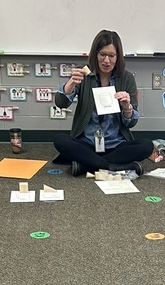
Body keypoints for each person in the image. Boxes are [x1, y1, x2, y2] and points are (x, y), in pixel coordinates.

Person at [54, 30, 154, 177]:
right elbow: (60, 103)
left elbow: (131, 123)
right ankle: (111, 167)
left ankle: (86, 165)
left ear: (118, 56)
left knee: (146, 146)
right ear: (95, 54)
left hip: (116, 145)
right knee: (60, 140)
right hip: (87, 144)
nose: (106, 61)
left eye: (111, 56)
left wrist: (127, 108)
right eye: (102, 54)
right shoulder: (84, 75)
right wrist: (69, 85)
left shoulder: (126, 78)